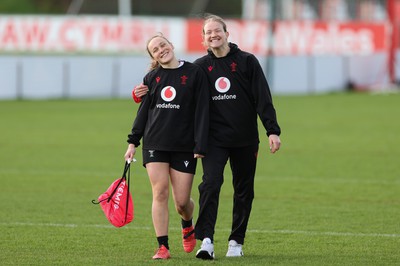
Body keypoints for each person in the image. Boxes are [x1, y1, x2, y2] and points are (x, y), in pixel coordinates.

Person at [132, 14, 281, 260]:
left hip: (245, 138)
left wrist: (272, 130)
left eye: (217, 30)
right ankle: (207, 241)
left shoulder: (247, 61)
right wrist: (139, 94)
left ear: (227, 33)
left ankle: (236, 241)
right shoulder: (199, 67)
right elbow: (171, 86)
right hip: (213, 140)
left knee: (243, 190)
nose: (213, 35)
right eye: (208, 32)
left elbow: (262, 97)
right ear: (203, 39)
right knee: (210, 185)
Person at [124, 33, 209, 260]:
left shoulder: (194, 73)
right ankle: (162, 246)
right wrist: (133, 142)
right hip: (155, 143)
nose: (161, 50)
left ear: (171, 45)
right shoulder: (152, 78)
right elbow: (143, 112)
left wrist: (201, 143)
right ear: (154, 56)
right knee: (159, 192)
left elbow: (202, 110)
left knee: (182, 202)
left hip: (184, 145)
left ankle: (187, 223)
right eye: (155, 50)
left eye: (163, 45)